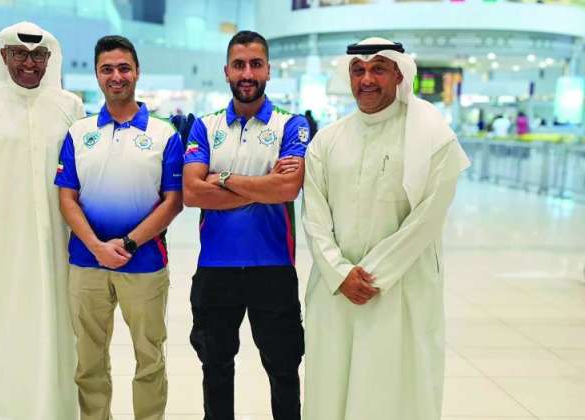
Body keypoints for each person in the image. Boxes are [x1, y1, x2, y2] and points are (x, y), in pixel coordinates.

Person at [301, 37, 470, 420]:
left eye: (378, 68)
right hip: (336, 292)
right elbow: (314, 218)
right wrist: (341, 274)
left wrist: (374, 275)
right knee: (331, 388)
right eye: (358, 70)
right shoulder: (326, 141)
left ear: (399, 74)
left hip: (401, 291)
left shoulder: (433, 137)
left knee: (394, 391)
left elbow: (428, 217)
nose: (367, 79)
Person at [0, 22, 83, 419]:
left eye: (38, 55)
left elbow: (82, 176)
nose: (29, 63)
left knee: (58, 334)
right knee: (1, 333)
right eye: (20, 54)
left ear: (50, 59)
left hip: (59, 246)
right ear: (3, 55)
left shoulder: (69, 106)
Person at [55, 35, 184, 420]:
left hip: (144, 264)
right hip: (86, 263)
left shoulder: (164, 134)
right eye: (107, 69)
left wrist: (127, 244)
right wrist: (97, 246)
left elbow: (173, 201)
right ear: (96, 74)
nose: (116, 76)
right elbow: (67, 198)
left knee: (149, 358)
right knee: (89, 361)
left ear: (137, 72)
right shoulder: (78, 133)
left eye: (124, 68)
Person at [183, 30, 309, 420]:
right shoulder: (205, 126)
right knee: (215, 368)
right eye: (239, 65)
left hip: (273, 267)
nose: (247, 73)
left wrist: (222, 178)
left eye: (256, 64)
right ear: (227, 71)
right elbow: (192, 192)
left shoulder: (291, 125)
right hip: (215, 269)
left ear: (268, 70)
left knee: (283, 369)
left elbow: (287, 188)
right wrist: (263, 186)